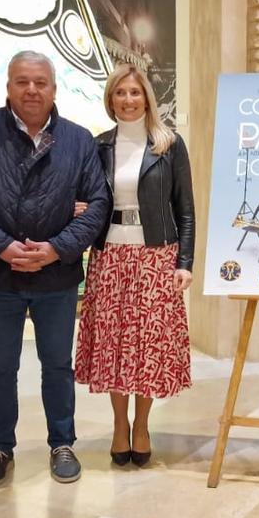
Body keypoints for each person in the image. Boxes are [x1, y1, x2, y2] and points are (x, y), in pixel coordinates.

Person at [0, 51, 110, 489]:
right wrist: (1, 247)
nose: (31, 90)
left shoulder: (79, 139)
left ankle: (62, 443)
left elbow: (98, 204)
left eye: (40, 82)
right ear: (8, 86)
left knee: (57, 364)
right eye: (22, 81)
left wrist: (57, 249)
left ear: (54, 89)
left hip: (56, 276)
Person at [74, 64, 194, 468]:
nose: (128, 99)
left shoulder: (169, 145)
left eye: (135, 92)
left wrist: (185, 262)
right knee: (114, 347)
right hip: (109, 256)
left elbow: (186, 210)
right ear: (111, 99)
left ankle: (142, 425)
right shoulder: (97, 146)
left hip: (156, 255)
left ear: (147, 98)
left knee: (148, 349)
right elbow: (86, 198)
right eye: (120, 93)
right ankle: (119, 425)